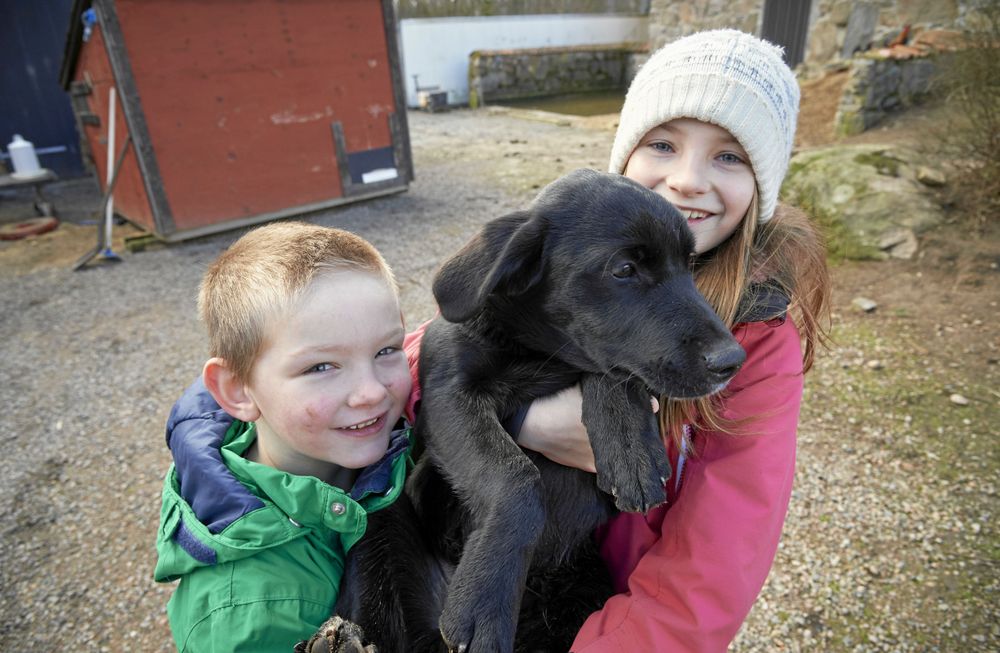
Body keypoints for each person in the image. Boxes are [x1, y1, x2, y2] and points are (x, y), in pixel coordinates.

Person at [164, 27, 830, 652]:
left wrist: (609, 391)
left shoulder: (758, 344)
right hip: (455, 549)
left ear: (763, 185)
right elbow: (426, 348)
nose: (688, 177)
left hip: (605, 598)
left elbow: (709, 572)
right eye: (663, 143)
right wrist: (521, 419)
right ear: (625, 153)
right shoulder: (574, 243)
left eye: (729, 155)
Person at [153, 222, 415, 653]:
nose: (371, 391)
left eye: (386, 350)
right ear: (238, 391)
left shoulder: (364, 438)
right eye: (321, 367)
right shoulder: (248, 615)